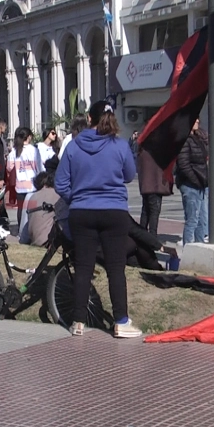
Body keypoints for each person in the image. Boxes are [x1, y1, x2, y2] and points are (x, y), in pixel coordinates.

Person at [55, 100, 140, 339]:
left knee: (83, 267)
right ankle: (121, 321)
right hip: (114, 211)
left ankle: (78, 321)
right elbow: (129, 175)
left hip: (82, 212)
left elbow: (61, 183)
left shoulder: (73, 146)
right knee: (115, 268)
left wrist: (79, 196)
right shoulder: (120, 145)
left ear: (89, 119)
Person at [175, 119, 209, 244]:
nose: (198, 121)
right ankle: (188, 249)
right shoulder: (184, 140)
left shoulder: (198, 138)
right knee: (192, 219)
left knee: (201, 220)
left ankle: (200, 248)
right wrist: (195, 179)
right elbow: (183, 164)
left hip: (201, 183)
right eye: (194, 119)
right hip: (190, 184)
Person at [7, 127, 44, 226]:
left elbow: (9, 167)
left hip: (20, 186)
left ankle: (20, 230)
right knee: (32, 209)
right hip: (32, 185)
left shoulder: (14, 151)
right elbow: (40, 168)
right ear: (29, 137)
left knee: (20, 209)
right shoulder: (34, 150)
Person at [137, 146, 173, 238]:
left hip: (145, 185)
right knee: (154, 212)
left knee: (145, 210)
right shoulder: (157, 151)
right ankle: (152, 236)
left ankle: (141, 235)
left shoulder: (142, 150)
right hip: (155, 185)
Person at [19, 171, 62, 247]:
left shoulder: (32, 197)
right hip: (48, 241)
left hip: (34, 240)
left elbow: (26, 224)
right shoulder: (57, 195)